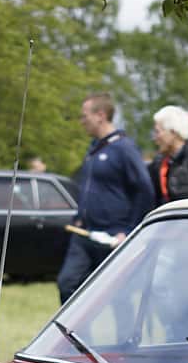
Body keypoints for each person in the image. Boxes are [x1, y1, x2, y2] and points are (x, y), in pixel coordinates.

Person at [59, 93, 154, 303]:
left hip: (112, 236)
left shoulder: (124, 148)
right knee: (68, 284)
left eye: (85, 116)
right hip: (84, 232)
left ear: (100, 115)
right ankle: (74, 336)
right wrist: (79, 215)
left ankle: (124, 337)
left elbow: (144, 191)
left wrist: (129, 230)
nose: (82, 122)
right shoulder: (93, 149)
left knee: (118, 298)